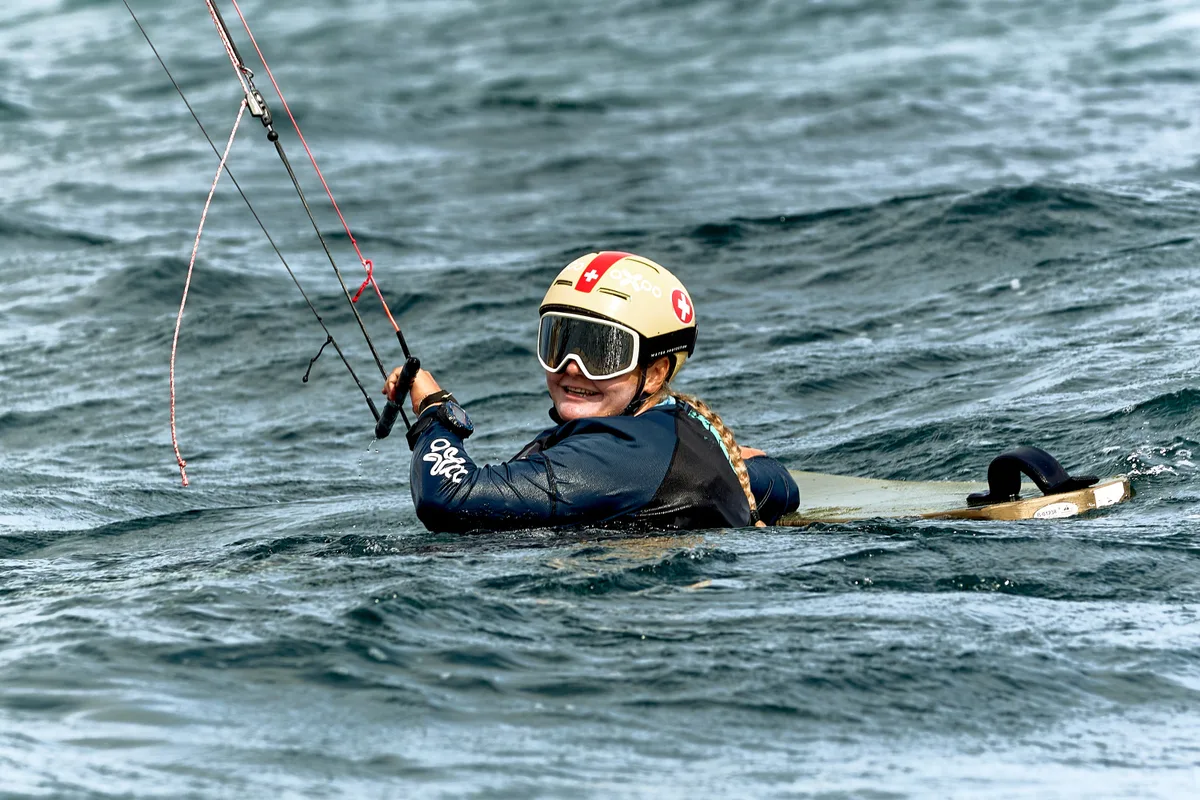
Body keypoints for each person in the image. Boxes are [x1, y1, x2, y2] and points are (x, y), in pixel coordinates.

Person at [384, 251, 799, 533]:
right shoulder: (666, 432)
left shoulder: (621, 454)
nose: (571, 367)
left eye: (602, 352)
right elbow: (781, 487)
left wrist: (437, 411)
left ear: (653, 373)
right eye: (560, 342)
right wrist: (730, 459)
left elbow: (449, 497)